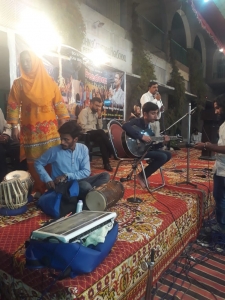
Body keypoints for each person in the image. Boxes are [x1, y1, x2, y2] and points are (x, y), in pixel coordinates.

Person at [7, 50, 70, 196]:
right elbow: (13, 105)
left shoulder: (50, 83)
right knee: (34, 161)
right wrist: (14, 127)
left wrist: (63, 123)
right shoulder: (19, 84)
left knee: (53, 158)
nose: (26, 63)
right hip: (31, 131)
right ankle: (40, 187)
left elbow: (59, 103)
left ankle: (54, 185)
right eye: (23, 61)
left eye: (29, 60)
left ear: (35, 62)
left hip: (51, 132)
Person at [34, 121, 110, 201]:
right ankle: (91, 196)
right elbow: (38, 163)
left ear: (75, 139)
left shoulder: (83, 148)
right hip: (63, 185)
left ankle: (87, 196)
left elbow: (86, 172)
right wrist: (47, 179)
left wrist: (67, 176)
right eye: (61, 138)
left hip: (79, 180)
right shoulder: (54, 151)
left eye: (66, 139)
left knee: (105, 176)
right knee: (85, 186)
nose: (62, 142)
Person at [122, 102, 171, 188]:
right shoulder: (137, 121)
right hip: (135, 150)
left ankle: (144, 175)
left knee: (168, 154)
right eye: (153, 113)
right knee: (162, 156)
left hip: (144, 150)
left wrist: (162, 143)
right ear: (145, 114)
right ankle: (141, 176)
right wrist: (141, 136)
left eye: (156, 113)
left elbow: (151, 147)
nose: (156, 116)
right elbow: (125, 125)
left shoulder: (149, 128)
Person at [194, 96, 225, 233]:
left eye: (218, 108)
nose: (216, 111)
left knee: (220, 197)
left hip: (224, 170)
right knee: (219, 197)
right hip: (221, 167)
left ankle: (221, 226)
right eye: (215, 108)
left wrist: (206, 145)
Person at [78, 97, 114, 171]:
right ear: (91, 104)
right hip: (84, 134)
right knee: (101, 132)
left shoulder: (96, 113)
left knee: (101, 139)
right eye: (96, 105)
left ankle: (106, 163)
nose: (98, 108)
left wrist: (100, 116)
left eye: (99, 106)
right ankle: (113, 150)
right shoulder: (84, 112)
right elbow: (83, 127)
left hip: (94, 134)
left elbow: (100, 127)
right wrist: (94, 128)